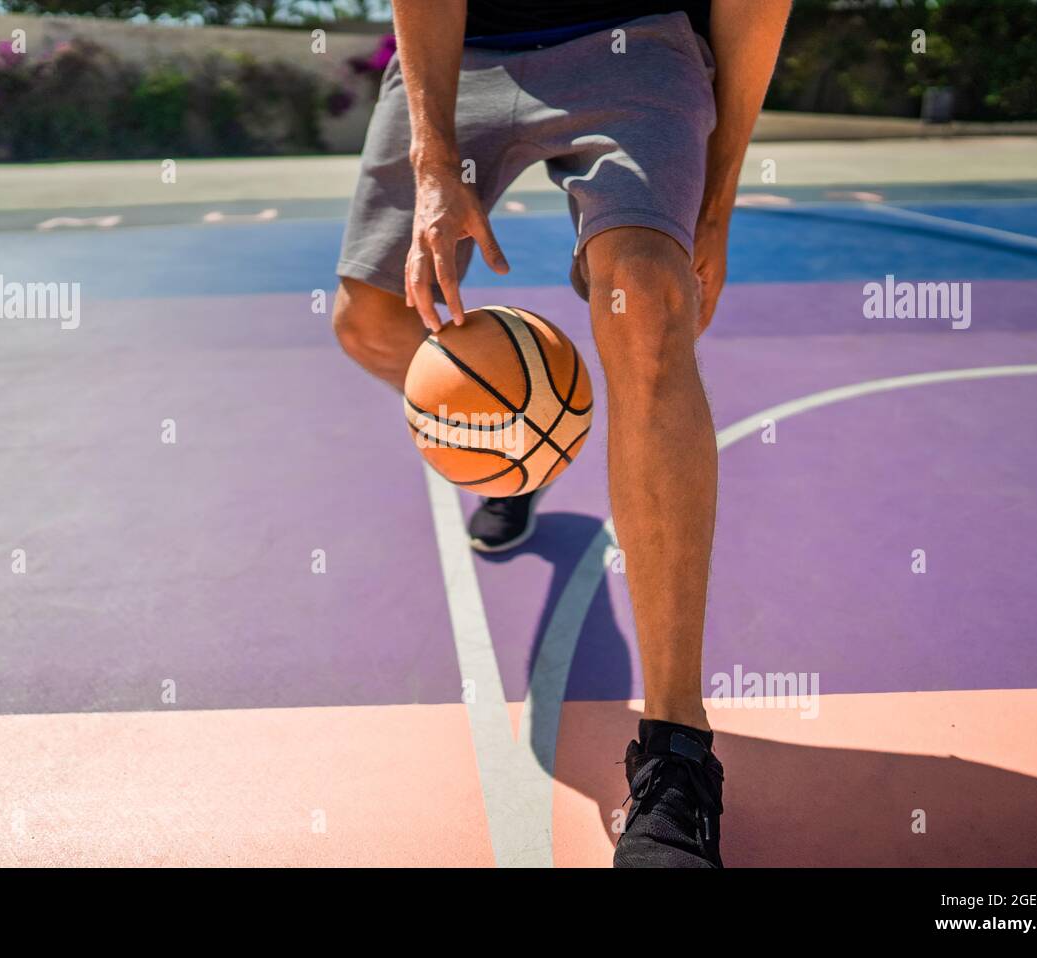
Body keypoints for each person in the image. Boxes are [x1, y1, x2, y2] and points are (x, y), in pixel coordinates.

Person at [332, 0, 791, 867]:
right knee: (372, 321)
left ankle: (676, 757)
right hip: (459, 50)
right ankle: (520, 456)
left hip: (635, 40)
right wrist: (433, 159)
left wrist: (720, 197)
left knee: (650, 303)